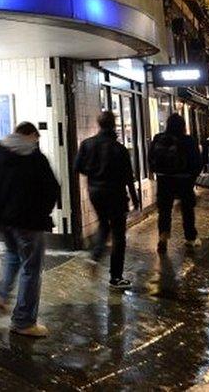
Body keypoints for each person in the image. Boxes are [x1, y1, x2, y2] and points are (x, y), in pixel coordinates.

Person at [0, 122, 59, 338]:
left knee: (13, 255)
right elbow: (52, 189)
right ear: (30, 135)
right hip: (28, 221)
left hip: (3, 220)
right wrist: (42, 213)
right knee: (31, 267)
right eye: (35, 139)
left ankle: (0, 293)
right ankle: (24, 320)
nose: (35, 143)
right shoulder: (35, 157)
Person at [74, 111, 139, 290]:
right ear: (113, 124)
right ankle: (116, 278)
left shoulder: (87, 144)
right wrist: (135, 200)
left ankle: (95, 255)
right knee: (119, 235)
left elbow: (77, 166)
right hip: (116, 194)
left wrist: (94, 173)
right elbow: (128, 177)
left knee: (103, 224)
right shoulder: (120, 149)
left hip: (95, 192)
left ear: (99, 124)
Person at [149, 113, 201, 252]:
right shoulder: (188, 140)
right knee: (187, 210)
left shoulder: (158, 138)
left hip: (164, 180)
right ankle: (190, 238)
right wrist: (192, 177)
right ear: (183, 126)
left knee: (164, 210)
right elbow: (197, 162)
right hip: (184, 180)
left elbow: (151, 158)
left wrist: (158, 173)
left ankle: (163, 238)